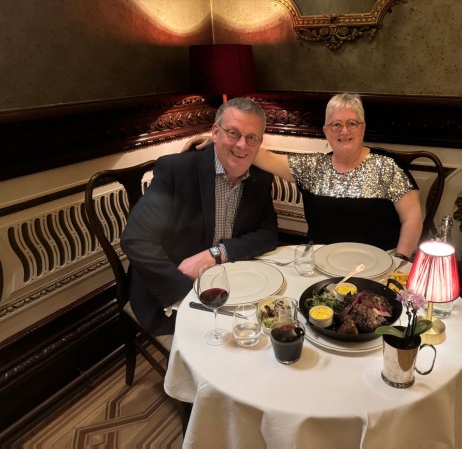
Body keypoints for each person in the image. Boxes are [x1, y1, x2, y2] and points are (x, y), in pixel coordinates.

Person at [185, 93, 422, 260]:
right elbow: (261, 155)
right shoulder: (312, 167)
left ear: (363, 128)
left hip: (379, 265)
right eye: (336, 125)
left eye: (352, 123)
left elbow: (412, 218)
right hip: (322, 264)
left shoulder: (386, 166)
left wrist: (399, 262)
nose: (344, 131)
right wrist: (218, 140)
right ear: (326, 131)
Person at [121, 97, 279, 336]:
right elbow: (136, 239)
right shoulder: (176, 171)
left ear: (260, 142)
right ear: (215, 132)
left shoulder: (261, 177)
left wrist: (217, 253)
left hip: (232, 285)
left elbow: (268, 234)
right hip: (174, 291)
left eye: (252, 138)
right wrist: (185, 293)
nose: (242, 145)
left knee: (269, 327)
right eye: (233, 133)